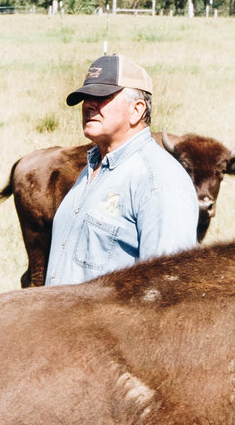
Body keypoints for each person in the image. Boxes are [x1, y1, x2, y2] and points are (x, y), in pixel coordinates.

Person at [44, 53, 202, 286]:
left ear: (137, 110)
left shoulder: (159, 181)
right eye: (86, 97)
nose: (89, 104)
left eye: (102, 96)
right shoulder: (93, 168)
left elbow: (168, 287)